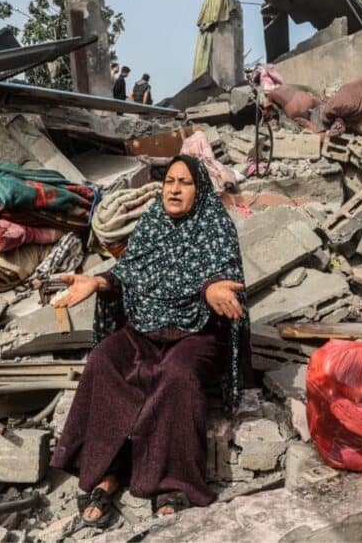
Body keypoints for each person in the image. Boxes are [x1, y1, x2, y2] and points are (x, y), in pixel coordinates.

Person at [50, 155, 250, 528]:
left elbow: (226, 275)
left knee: (176, 375)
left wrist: (211, 288)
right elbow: (129, 271)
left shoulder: (215, 225)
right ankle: (106, 474)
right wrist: (98, 281)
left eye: (184, 183)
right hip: (143, 329)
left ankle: (170, 483)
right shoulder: (153, 222)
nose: (174, 189)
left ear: (200, 189)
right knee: (104, 360)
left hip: (195, 332)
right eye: (169, 181)